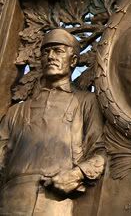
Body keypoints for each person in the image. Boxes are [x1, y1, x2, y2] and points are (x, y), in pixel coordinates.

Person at [0, 29, 106, 215]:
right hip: (11, 201)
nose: (50, 57)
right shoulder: (16, 111)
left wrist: (76, 174)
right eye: (46, 52)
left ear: (73, 61)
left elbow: (102, 151)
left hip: (59, 202)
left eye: (58, 51)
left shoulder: (86, 102)